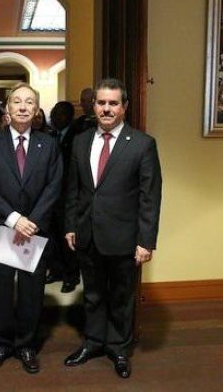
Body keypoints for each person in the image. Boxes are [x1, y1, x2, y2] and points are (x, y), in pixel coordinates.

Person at [64, 78, 162, 379]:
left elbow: (150, 197)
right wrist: (71, 225)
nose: (106, 109)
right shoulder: (80, 141)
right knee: (92, 294)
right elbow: (74, 189)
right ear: (93, 106)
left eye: (113, 103)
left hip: (124, 237)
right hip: (87, 233)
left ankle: (119, 348)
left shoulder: (142, 144)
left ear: (124, 107)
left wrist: (146, 241)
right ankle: (93, 342)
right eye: (101, 103)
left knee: (121, 297)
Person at [0, 82, 63, 374]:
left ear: (36, 110)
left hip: (35, 230)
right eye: (17, 102)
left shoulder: (49, 144)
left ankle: (26, 345)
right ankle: (2, 343)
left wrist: (32, 221)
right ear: (7, 109)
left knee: (31, 292)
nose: (23, 107)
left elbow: (54, 185)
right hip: (3, 227)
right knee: (0, 290)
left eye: (29, 102)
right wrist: (14, 218)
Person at [46, 101, 81, 293]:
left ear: (69, 116)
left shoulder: (77, 136)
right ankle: (56, 270)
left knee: (68, 237)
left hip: (68, 195)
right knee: (53, 237)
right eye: (53, 114)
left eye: (59, 114)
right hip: (52, 196)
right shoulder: (52, 136)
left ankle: (71, 275)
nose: (55, 118)